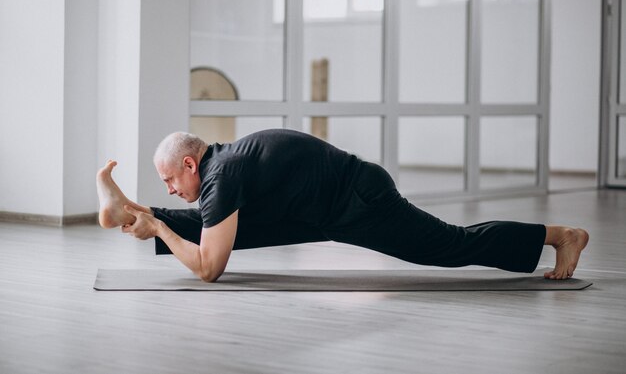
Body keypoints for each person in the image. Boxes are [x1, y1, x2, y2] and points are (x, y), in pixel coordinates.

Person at [96, 129, 589, 283]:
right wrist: (154, 217)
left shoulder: (222, 178)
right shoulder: (224, 166)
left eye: (168, 181)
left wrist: (160, 230)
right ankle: (125, 209)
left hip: (359, 203)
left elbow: (208, 269)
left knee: (447, 246)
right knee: (220, 225)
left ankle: (559, 235)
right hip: (317, 209)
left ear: (189, 162)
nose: (170, 189)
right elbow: (214, 224)